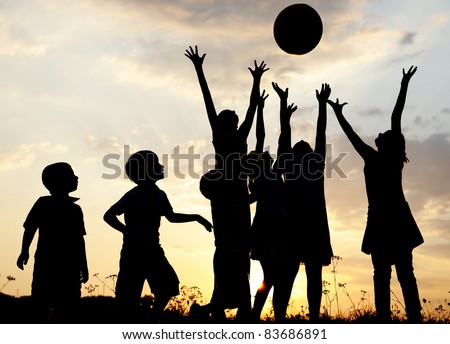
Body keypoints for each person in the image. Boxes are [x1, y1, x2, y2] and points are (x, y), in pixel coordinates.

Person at [327, 66, 423, 323]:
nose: (378, 134)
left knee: (384, 274)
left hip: (383, 218)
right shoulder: (390, 160)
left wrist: (337, 113)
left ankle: (387, 319)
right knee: (404, 272)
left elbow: (356, 133)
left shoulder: (376, 157)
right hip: (397, 217)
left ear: (386, 143)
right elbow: (395, 116)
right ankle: (412, 316)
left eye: (382, 135)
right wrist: (403, 85)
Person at [185, 45, 268, 322]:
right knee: (225, 248)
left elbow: (252, 108)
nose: (233, 119)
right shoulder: (219, 135)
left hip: (239, 194)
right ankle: (219, 305)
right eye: (229, 117)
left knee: (241, 249)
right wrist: (199, 69)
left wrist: (256, 81)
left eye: (234, 118)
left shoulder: (241, 135)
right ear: (223, 122)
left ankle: (233, 306)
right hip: (223, 195)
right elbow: (207, 100)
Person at [103, 150, 212, 323]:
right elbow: (108, 216)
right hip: (133, 252)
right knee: (128, 296)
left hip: (153, 250)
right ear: (145, 170)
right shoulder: (133, 195)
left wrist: (197, 218)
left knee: (168, 286)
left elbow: (171, 217)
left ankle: (151, 320)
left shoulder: (160, 195)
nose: (161, 166)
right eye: (155, 164)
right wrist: (126, 231)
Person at [275, 82, 334, 321]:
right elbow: (315, 135)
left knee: (295, 274)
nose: (301, 144)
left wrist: (285, 111)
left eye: (303, 145)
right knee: (301, 275)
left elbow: (313, 135)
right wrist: (320, 105)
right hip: (306, 225)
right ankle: (309, 317)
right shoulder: (310, 164)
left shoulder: (304, 164)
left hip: (302, 225)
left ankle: (307, 317)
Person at [247, 88, 300, 323]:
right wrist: (259, 109)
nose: (269, 155)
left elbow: (283, 142)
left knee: (284, 276)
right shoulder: (259, 175)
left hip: (284, 230)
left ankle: (278, 316)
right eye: (264, 156)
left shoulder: (276, 173)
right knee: (270, 276)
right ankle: (254, 315)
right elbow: (260, 138)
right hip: (268, 231)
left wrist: (284, 113)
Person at [17, 162, 89, 323]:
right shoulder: (43, 203)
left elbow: (79, 240)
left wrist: (83, 265)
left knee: (69, 306)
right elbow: (30, 228)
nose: (76, 178)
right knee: (41, 303)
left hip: (69, 266)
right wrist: (24, 250)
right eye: (71, 175)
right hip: (46, 263)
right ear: (59, 181)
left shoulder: (75, 209)